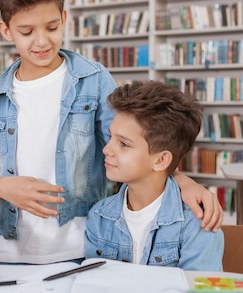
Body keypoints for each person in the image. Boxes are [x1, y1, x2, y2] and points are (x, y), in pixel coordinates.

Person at [0, 0, 224, 265]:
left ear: (64, 18)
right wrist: (1, 187)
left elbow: (135, 145)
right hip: (13, 250)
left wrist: (184, 182)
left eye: (51, 27)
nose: (41, 41)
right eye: (26, 31)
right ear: (6, 30)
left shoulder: (93, 80)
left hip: (86, 245)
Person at [85, 81, 223, 270]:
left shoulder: (196, 224)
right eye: (110, 137)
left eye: (124, 144)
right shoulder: (99, 217)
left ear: (160, 160)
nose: (107, 149)